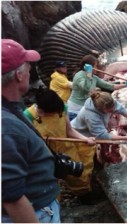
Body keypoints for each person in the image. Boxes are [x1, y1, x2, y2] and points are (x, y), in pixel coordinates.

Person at [2, 39, 60, 222]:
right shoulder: (6, 127)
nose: (30, 72)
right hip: (35, 213)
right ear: (19, 75)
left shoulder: (11, 109)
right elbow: (11, 196)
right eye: (28, 67)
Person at [23, 88, 96, 198]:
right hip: (46, 154)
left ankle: (84, 195)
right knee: (51, 182)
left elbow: (69, 131)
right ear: (42, 110)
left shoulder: (62, 108)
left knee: (78, 175)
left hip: (66, 148)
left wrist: (85, 139)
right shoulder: (28, 116)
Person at [67, 54, 127, 121]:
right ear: (89, 66)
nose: (97, 68)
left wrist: (126, 84)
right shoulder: (79, 75)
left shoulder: (94, 77)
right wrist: (89, 73)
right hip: (74, 111)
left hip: (84, 108)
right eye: (95, 65)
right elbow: (87, 88)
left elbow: (110, 86)